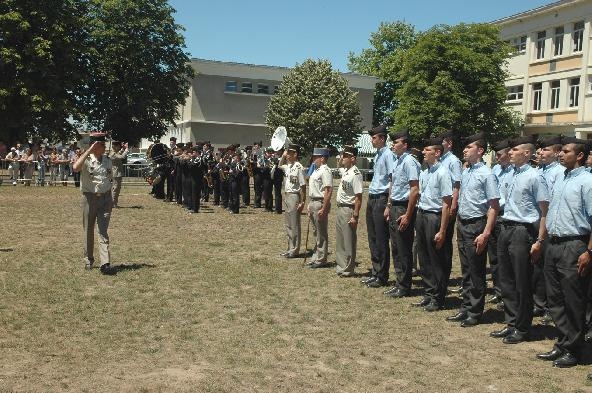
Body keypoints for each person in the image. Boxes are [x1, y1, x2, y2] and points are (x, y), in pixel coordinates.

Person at [536, 137, 591, 368]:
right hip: (555, 244)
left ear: (579, 155)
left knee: (573, 300)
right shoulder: (561, 178)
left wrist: (589, 251)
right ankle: (563, 343)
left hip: (574, 245)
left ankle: (574, 349)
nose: (560, 154)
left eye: (566, 151)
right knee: (555, 298)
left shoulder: (587, 181)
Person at [490, 135, 549, 344]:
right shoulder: (509, 175)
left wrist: (540, 240)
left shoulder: (535, 176)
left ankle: (523, 327)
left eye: (514, 150)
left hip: (523, 231)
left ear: (526, 153)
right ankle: (511, 322)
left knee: (521, 280)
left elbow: (544, 211)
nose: (510, 153)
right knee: (506, 279)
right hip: (506, 228)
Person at [445, 132, 500, 327]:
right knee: (466, 269)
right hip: (463, 222)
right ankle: (466, 307)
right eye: (465, 148)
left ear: (480, 150)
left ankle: (475, 312)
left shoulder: (487, 174)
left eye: (469, 148)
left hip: (477, 224)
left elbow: (494, 206)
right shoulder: (466, 171)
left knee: (476, 271)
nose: (465, 151)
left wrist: (486, 232)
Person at [414, 136, 453, 311]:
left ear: (437, 152)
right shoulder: (425, 171)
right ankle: (429, 293)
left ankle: (438, 297)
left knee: (437, 259)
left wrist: (443, 229)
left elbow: (446, 203)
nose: (423, 152)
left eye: (427, 150)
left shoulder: (443, 172)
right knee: (424, 257)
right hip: (422, 214)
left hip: (434, 217)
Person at [72, 132, 116, 275]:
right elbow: (75, 168)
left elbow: (109, 178)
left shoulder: (107, 160)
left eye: (103, 144)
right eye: (101, 144)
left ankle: (105, 263)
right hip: (89, 199)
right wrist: (89, 151)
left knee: (103, 231)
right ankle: (89, 260)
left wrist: (110, 198)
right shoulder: (86, 159)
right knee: (89, 230)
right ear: (94, 145)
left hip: (105, 199)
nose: (104, 147)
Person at [532, 135, 566, 322]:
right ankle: (539, 303)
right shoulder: (539, 171)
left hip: (550, 223)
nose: (542, 153)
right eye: (541, 150)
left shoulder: (559, 172)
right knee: (538, 267)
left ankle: (552, 308)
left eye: (546, 150)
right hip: (537, 221)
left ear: (556, 152)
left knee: (551, 269)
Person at [384, 128, 421, 298]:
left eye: (396, 142)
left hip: (404, 207)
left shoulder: (409, 162)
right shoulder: (398, 161)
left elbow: (414, 189)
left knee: (404, 247)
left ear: (405, 145)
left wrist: (407, 214)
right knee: (396, 247)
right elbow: (394, 186)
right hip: (395, 206)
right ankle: (399, 282)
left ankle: (405, 285)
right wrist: (389, 205)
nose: (393, 145)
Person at [362, 124, 395, 288]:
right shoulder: (378, 155)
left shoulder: (388, 155)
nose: (372, 140)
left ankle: (382, 275)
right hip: (373, 196)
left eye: (374, 137)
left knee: (381, 238)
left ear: (382, 138)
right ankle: (375, 272)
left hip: (382, 198)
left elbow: (392, 180)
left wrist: (389, 203)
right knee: (372, 236)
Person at [487, 139, 513, 306]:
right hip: (493, 216)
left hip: (506, 217)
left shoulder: (513, 172)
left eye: (500, 154)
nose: (497, 158)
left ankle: (508, 293)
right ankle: (498, 290)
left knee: (506, 260)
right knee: (494, 258)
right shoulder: (495, 170)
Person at [438, 130, 463, 295]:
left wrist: (454, 203)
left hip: (448, 205)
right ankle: (438, 279)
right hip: (439, 205)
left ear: (449, 143)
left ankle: (443, 280)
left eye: (442, 141)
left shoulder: (453, 161)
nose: (439, 144)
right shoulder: (441, 160)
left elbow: (456, 184)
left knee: (445, 242)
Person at [334, 146, 363, 276]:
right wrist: (342, 159)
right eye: (342, 155)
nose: (342, 158)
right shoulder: (346, 171)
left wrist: (355, 215)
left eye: (345, 156)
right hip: (340, 207)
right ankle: (341, 266)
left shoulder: (355, 174)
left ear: (353, 158)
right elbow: (338, 164)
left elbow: (358, 197)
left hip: (348, 209)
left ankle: (348, 268)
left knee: (348, 239)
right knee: (340, 239)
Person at [306, 147, 333, 268]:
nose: (313, 159)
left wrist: (324, 207)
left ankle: (321, 259)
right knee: (315, 231)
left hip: (320, 202)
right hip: (313, 201)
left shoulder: (325, 170)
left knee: (321, 232)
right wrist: (309, 203)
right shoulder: (316, 170)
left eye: (316, 157)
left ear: (322, 158)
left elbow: (328, 190)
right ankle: (316, 255)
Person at [278, 144, 306, 258]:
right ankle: (289, 247)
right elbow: (279, 166)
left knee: (294, 224)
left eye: (289, 153)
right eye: (287, 153)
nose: (287, 155)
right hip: (287, 196)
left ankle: (295, 249)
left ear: (295, 154)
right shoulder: (288, 166)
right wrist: (283, 157)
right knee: (288, 224)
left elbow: (303, 186)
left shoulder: (298, 167)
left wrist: (302, 202)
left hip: (294, 196)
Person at [109, 141, 129, 208]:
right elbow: (122, 157)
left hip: (117, 173)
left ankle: (114, 203)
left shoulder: (114, 153)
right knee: (115, 189)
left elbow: (119, 153)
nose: (119, 148)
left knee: (117, 188)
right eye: (119, 146)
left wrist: (123, 149)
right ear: (115, 146)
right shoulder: (113, 154)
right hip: (116, 173)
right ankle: (113, 204)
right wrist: (126, 149)